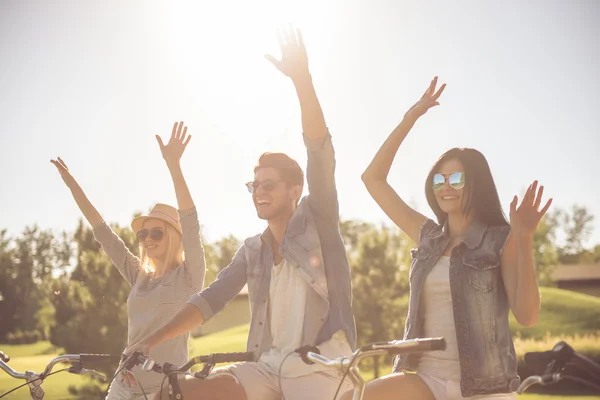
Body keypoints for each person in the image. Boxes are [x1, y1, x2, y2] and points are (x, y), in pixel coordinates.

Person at [136, 28, 357, 400]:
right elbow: (211, 299)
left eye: (269, 184)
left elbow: (320, 152)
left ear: (294, 191)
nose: (259, 192)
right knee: (177, 392)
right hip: (266, 368)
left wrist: (302, 81)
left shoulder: (318, 218)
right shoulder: (253, 250)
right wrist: (152, 341)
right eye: (254, 185)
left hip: (321, 366)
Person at [353, 77, 552, 400]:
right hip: (428, 380)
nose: (446, 186)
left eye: (456, 178)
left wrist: (524, 237)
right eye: (439, 179)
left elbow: (527, 316)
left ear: (477, 183)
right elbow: (372, 179)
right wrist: (410, 118)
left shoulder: (500, 240)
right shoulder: (428, 237)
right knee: (363, 395)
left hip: (486, 389)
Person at [51, 121, 206, 399]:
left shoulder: (190, 276)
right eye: (143, 234)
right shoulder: (138, 275)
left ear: (174, 236)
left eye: (156, 232)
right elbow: (103, 232)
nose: (147, 238)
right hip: (125, 382)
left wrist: (173, 165)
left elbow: (191, 223)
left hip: (166, 388)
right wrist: (71, 184)